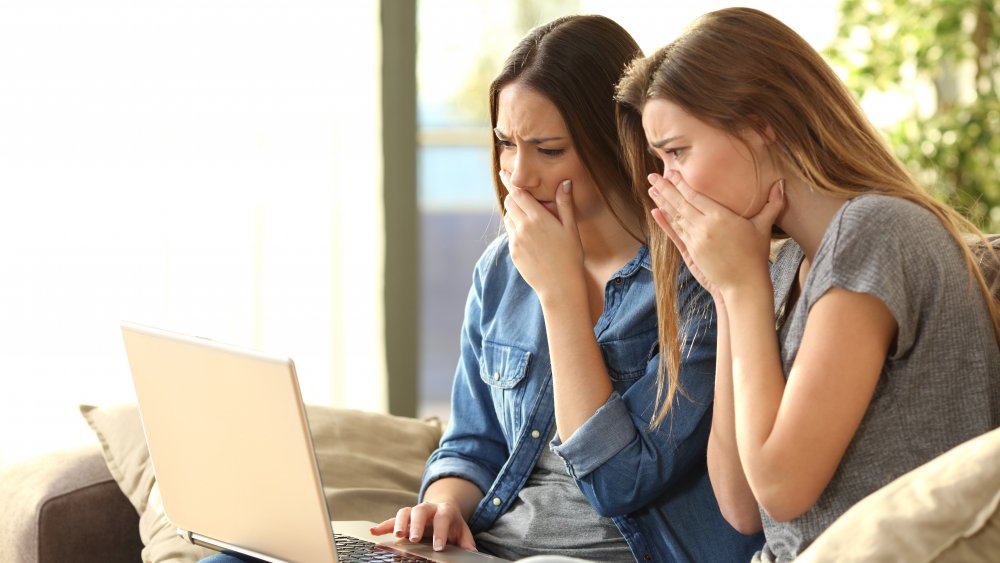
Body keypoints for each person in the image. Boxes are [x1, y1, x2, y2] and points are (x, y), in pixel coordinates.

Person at [369, 14, 762, 563]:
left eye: (548, 150)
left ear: (616, 142)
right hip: (494, 548)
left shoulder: (696, 284)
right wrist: (443, 504)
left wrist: (560, 296)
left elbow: (621, 483)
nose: (518, 175)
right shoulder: (502, 269)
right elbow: (473, 442)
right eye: (506, 143)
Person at [615, 6, 1000, 561]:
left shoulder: (876, 232)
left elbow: (782, 487)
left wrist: (742, 290)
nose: (665, 185)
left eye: (677, 152)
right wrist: (728, 294)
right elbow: (742, 505)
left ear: (761, 124)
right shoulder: (783, 263)